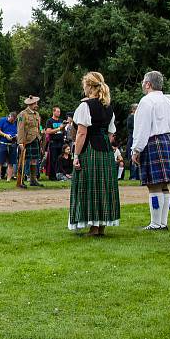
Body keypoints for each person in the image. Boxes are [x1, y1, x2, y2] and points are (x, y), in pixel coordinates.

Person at [130, 71, 170, 230]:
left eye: (143, 82)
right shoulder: (168, 101)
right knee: (164, 185)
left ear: (148, 84)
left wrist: (136, 149)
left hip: (153, 141)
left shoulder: (146, 101)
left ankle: (155, 224)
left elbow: (142, 127)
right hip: (168, 140)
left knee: (153, 185)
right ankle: (162, 223)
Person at [69, 72, 119, 235]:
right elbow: (111, 134)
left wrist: (76, 155)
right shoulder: (108, 107)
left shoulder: (85, 106)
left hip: (90, 149)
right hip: (105, 150)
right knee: (103, 186)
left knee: (90, 186)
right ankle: (101, 226)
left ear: (89, 86)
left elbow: (81, 133)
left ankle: (94, 227)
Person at [16, 96, 43, 188]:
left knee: (34, 160)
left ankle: (33, 180)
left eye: (36, 103)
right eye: (35, 103)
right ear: (30, 104)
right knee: (23, 160)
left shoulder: (36, 114)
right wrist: (20, 142)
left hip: (35, 139)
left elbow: (38, 126)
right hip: (26, 140)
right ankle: (20, 181)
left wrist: (40, 135)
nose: (36, 105)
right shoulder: (22, 114)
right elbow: (20, 128)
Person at [0, 112, 19, 182]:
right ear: (9, 116)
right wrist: (5, 135)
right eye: (11, 120)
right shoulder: (2, 120)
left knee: (10, 163)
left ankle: (8, 180)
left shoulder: (16, 122)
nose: (12, 122)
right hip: (3, 144)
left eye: (14, 121)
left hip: (12, 144)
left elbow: (18, 131)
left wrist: (17, 136)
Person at [45, 106, 66, 181]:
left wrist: (63, 127)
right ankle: (52, 176)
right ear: (53, 112)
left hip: (61, 142)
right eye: (57, 111)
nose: (59, 113)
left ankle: (60, 175)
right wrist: (58, 128)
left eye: (59, 112)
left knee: (60, 159)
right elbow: (48, 131)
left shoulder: (61, 120)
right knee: (53, 159)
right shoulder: (49, 121)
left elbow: (63, 131)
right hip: (53, 143)